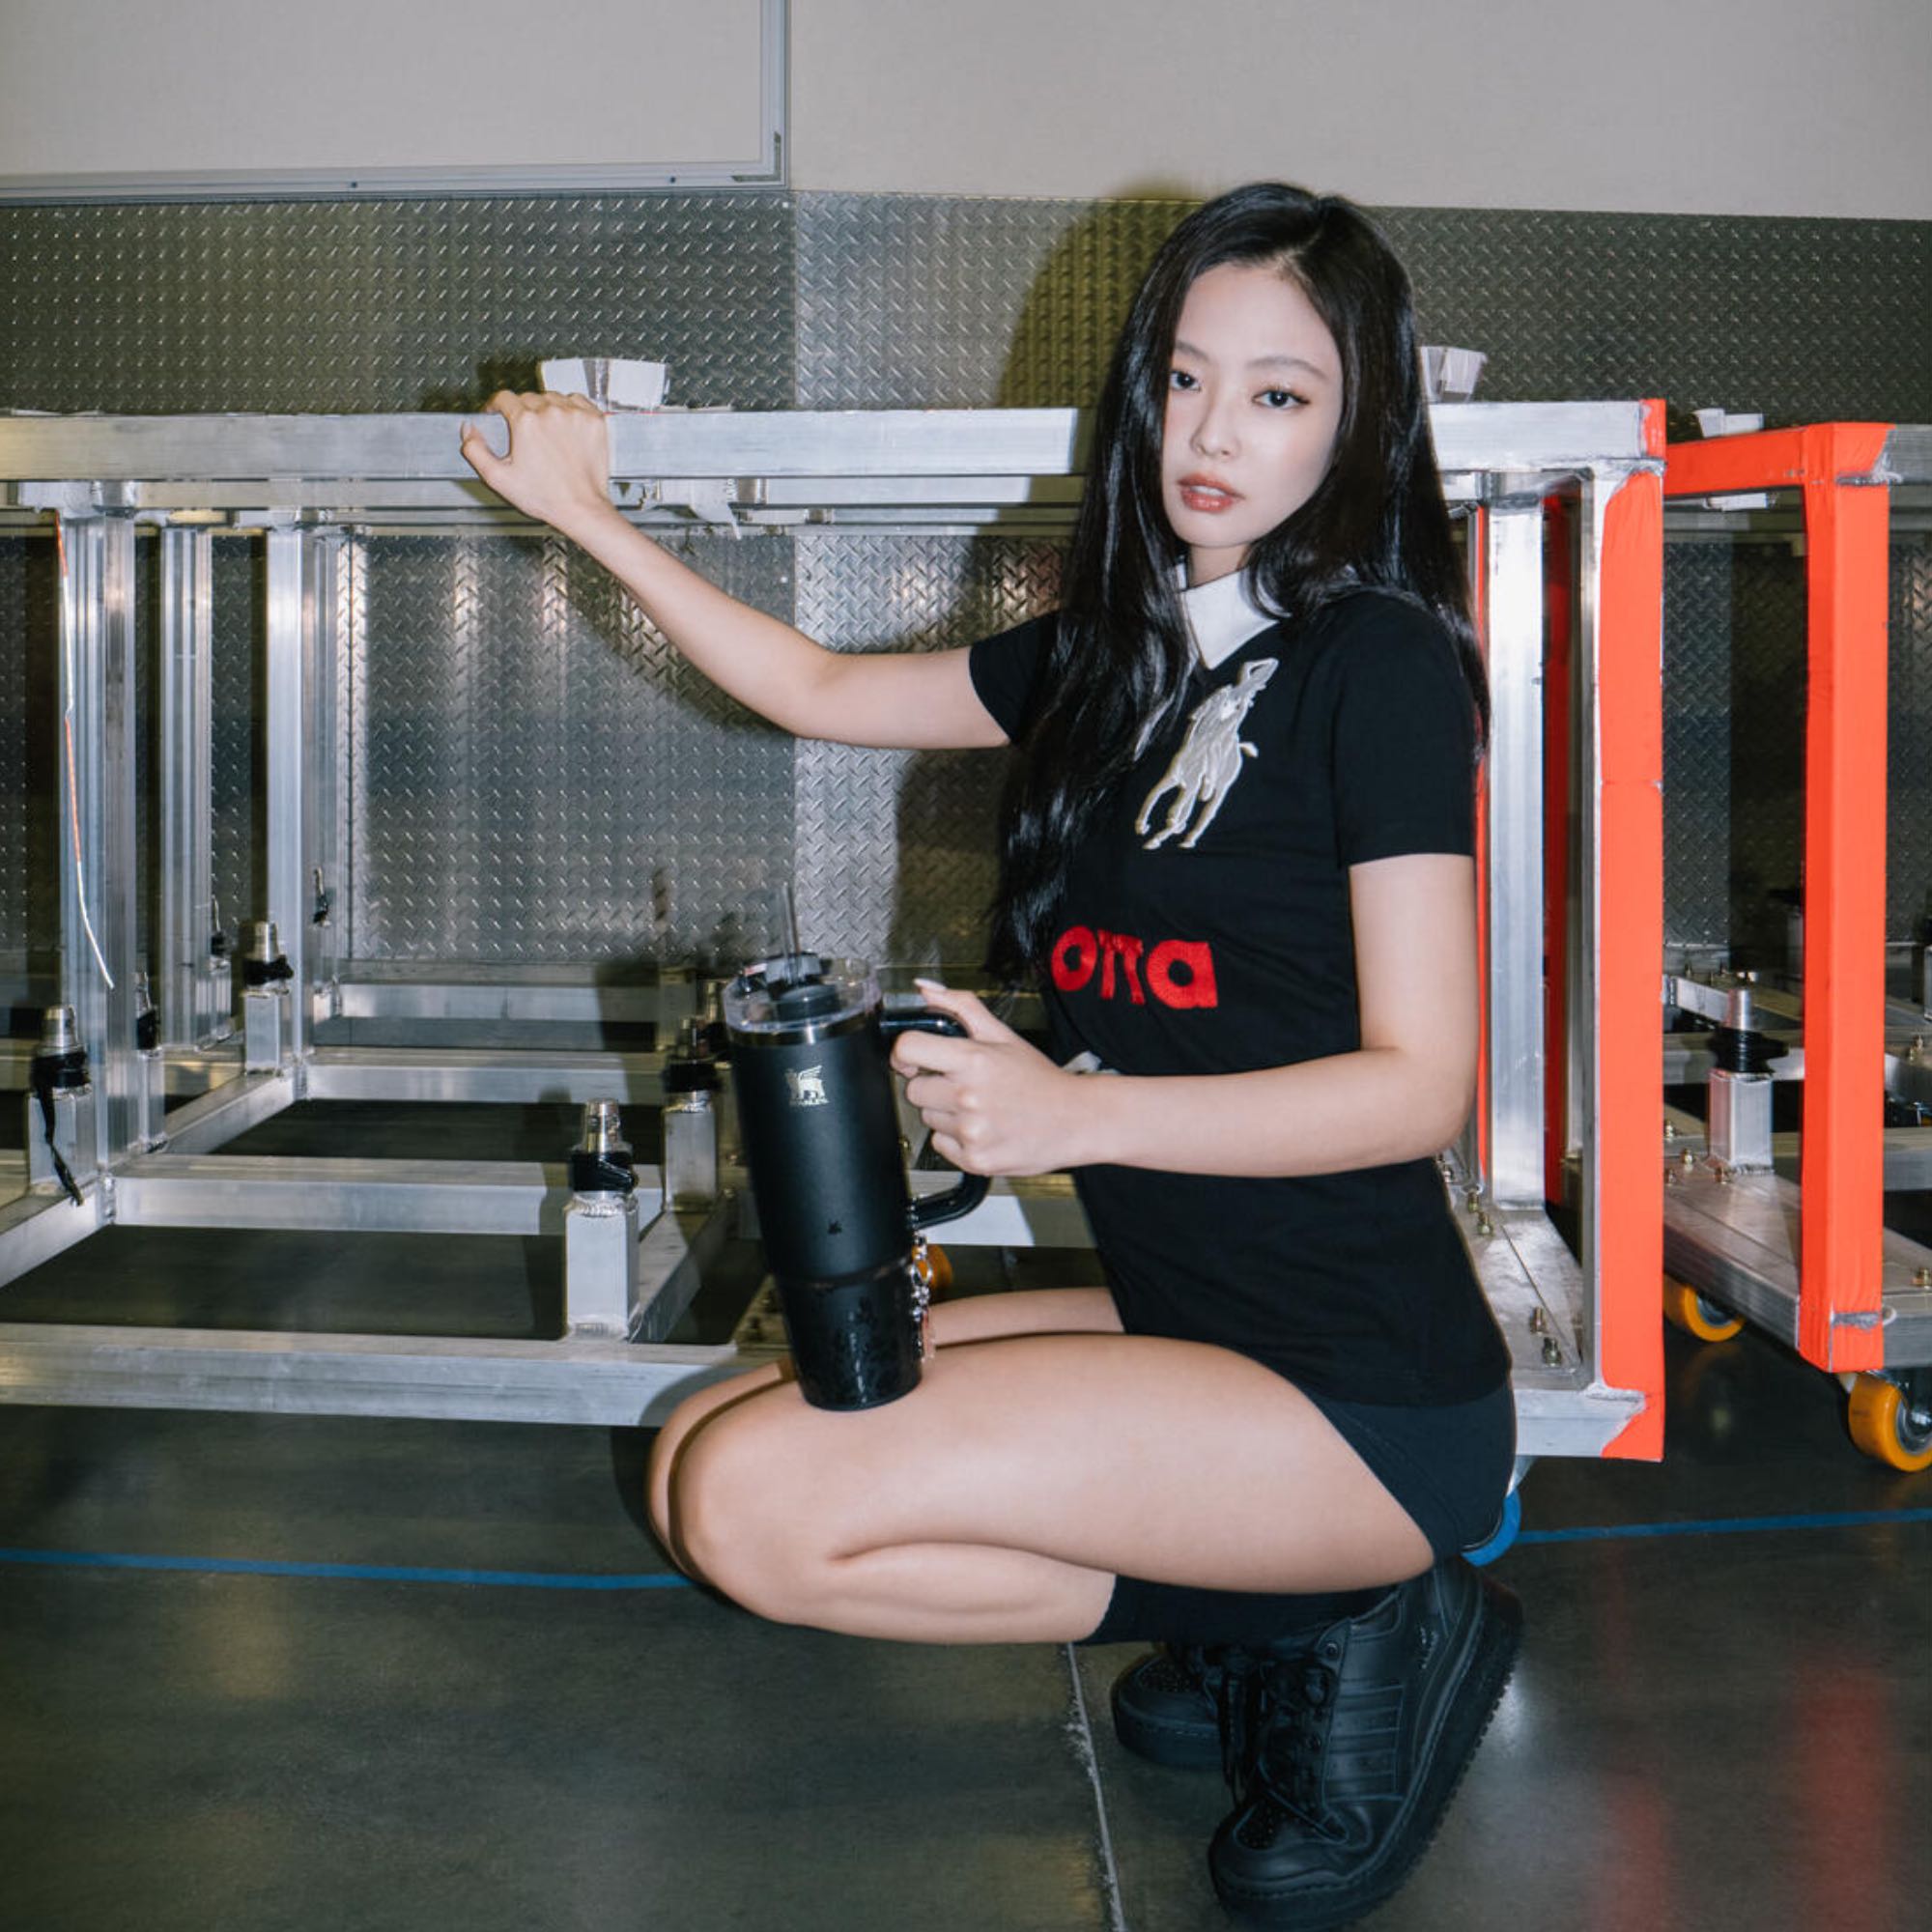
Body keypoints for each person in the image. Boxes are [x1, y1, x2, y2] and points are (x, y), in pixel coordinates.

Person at [461, 181, 1520, 1929]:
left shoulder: (1378, 669)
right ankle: (1255, 1602)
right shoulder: (1120, 659)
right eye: (1183, 379)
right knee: (706, 1439)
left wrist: (1072, 1115)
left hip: (1359, 1389)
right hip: (1194, 1321)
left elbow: (1420, 1087)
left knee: (756, 1508)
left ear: (1360, 424)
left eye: (1279, 394)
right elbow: (813, 689)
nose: (1211, 434)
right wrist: (588, 515)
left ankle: (1340, 1610)